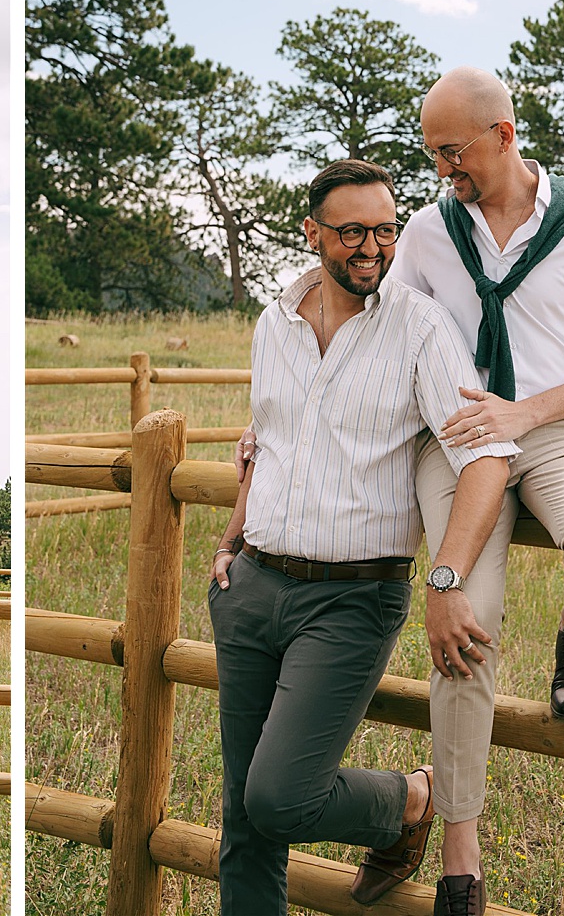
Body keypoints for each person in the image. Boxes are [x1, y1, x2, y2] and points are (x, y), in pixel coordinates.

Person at [239, 67, 564, 912]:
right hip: (458, 437)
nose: (442, 171)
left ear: (503, 134)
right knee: (467, 613)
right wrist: (280, 425)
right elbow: (376, 329)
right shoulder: (426, 231)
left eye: (452, 151)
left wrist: (528, 408)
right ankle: (459, 849)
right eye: (431, 153)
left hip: (559, 425)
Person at [211, 159, 516, 916]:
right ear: (312, 232)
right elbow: (269, 442)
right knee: (244, 820)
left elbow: (485, 459)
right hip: (252, 585)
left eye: (384, 230)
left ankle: (410, 801)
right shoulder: (273, 321)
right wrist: (229, 540)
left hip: (351, 598)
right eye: (351, 232)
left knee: (279, 795)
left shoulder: (417, 327)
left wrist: (446, 579)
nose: (371, 247)